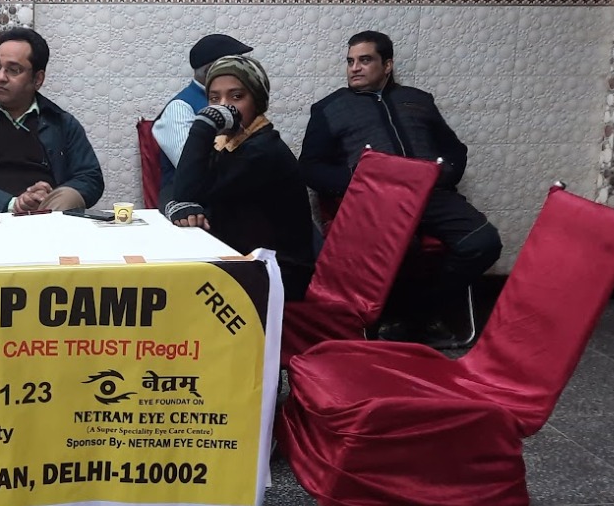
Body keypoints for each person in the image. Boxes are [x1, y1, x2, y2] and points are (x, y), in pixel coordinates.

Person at [302, 30, 501, 343]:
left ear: (387, 65)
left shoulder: (418, 101)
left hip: (431, 195)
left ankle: (420, 311)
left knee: (484, 242)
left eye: (365, 60)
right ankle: (406, 318)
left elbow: (455, 151)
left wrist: (442, 174)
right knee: (401, 250)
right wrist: (357, 180)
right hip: (377, 202)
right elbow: (310, 168)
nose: (355, 68)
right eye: (350, 61)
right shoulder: (329, 108)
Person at [164, 54, 314, 301]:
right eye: (214, 99)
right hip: (239, 258)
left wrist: (202, 126)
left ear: (257, 102)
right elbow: (177, 185)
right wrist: (180, 206)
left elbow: (186, 190)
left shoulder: (262, 151)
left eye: (236, 97)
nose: (223, 107)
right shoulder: (229, 143)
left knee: (174, 292)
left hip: (277, 274)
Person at [0, 27, 105, 214]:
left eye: (13, 70)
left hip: (46, 218)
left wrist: (51, 197)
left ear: (38, 79)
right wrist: (13, 204)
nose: (0, 77)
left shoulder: (61, 123)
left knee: (67, 200)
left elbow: (90, 178)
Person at [151, 33, 255, 202]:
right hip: (194, 204)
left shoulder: (238, 102)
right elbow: (192, 169)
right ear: (210, 71)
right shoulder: (181, 107)